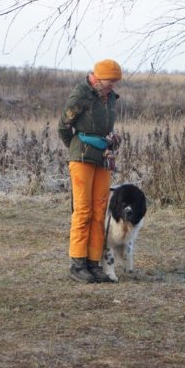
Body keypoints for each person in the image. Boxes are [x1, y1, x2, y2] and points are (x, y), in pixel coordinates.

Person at [58, 59, 122, 283]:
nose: (113, 85)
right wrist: (78, 147)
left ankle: (94, 264)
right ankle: (78, 264)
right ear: (99, 77)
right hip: (82, 159)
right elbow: (63, 126)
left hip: (103, 159)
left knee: (99, 211)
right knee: (83, 211)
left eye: (116, 81)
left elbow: (106, 126)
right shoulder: (81, 95)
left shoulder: (110, 98)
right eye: (110, 80)